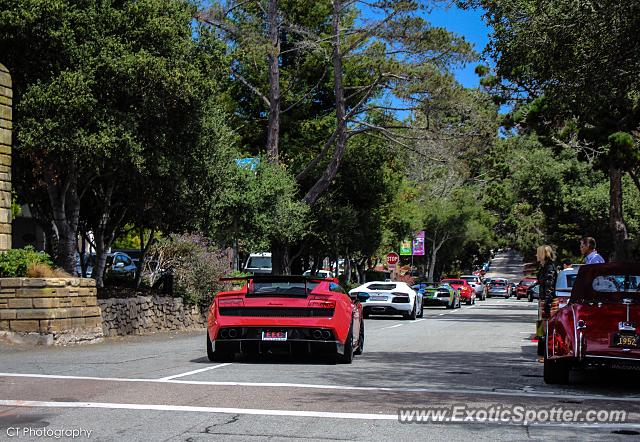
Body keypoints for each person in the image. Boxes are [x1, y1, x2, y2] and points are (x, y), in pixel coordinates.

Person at [535, 245, 558, 356]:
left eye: (538, 253)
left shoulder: (549, 267)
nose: (536, 255)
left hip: (548, 300)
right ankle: (542, 353)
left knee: (546, 328)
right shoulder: (544, 266)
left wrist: (547, 303)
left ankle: (546, 354)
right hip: (543, 299)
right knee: (541, 327)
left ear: (542, 254)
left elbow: (550, 286)